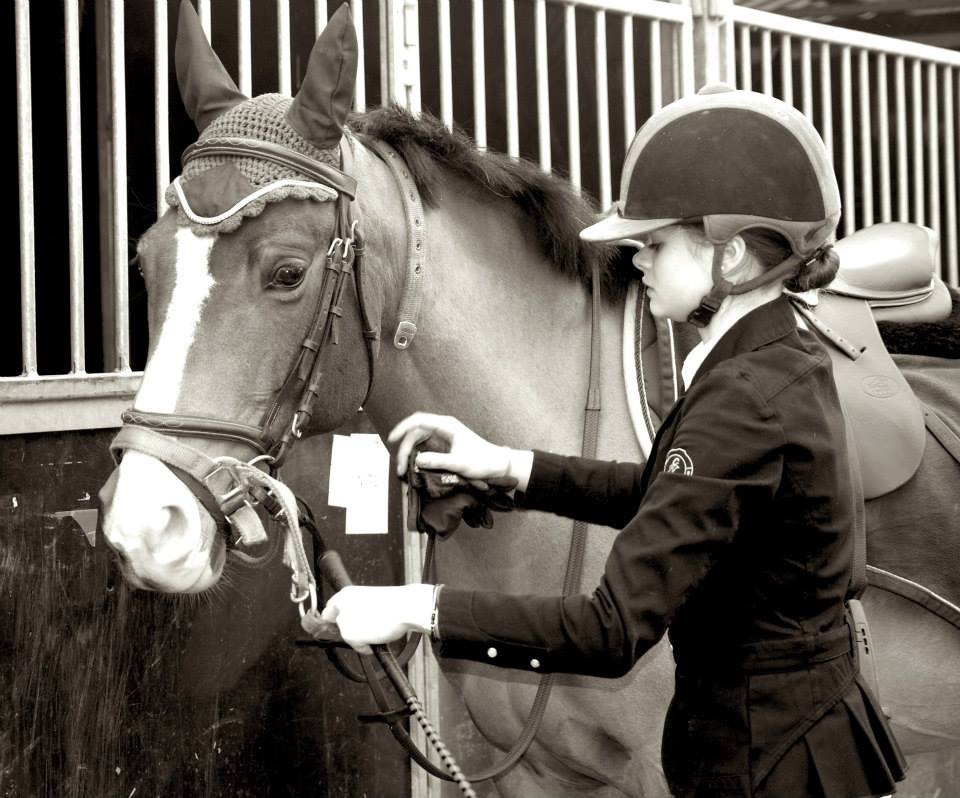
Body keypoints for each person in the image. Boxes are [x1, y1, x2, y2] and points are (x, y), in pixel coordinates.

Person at [318, 85, 908, 797]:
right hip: (793, 739)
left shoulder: (743, 397)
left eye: (655, 244)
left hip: (764, 760)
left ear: (732, 259)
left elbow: (609, 629)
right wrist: (509, 466)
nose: (638, 260)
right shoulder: (773, 354)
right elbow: (673, 495)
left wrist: (415, 606)